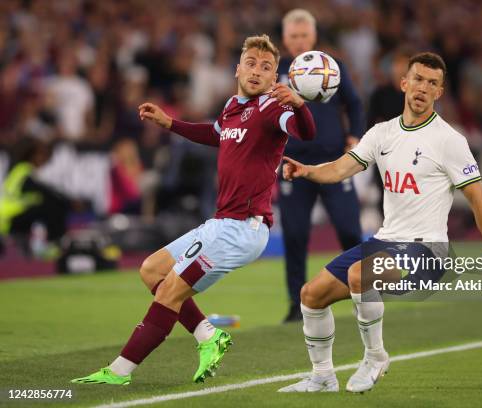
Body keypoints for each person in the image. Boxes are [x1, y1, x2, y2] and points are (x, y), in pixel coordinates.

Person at [71, 34, 316, 385]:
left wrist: (300, 104)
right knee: (151, 270)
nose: (257, 71)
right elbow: (214, 134)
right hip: (220, 223)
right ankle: (208, 335)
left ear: (274, 76)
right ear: (237, 69)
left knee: (170, 290)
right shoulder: (233, 107)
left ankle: (120, 371)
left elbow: (305, 133)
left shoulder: (273, 107)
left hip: (243, 228)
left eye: (266, 67)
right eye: (251, 63)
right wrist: (170, 123)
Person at [278, 52, 482, 393]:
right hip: (386, 241)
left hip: (426, 249)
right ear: (404, 83)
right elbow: (341, 168)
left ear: (440, 92)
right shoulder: (382, 133)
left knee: (361, 274)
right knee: (311, 295)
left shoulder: (450, 141)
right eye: (418, 79)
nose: (423, 88)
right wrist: (306, 171)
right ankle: (322, 376)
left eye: (432, 83)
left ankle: (376, 357)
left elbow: (479, 201)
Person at [278, 9, 365, 322]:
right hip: (291, 163)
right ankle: (295, 305)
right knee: (295, 234)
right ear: (285, 38)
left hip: (333, 162)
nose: (300, 41)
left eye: (304, 35)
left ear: (313, 36)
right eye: (294, 36)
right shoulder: (277, 71)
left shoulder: (332, 65)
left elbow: (354, 104)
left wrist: (355, 137)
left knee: (348, 229)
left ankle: (363, 293)